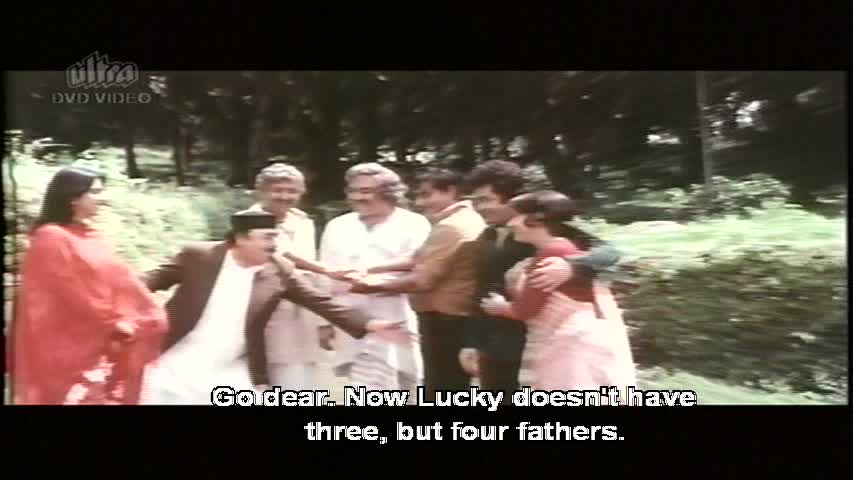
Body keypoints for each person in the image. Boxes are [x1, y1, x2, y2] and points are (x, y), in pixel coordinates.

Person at [138, 210, 407, 405]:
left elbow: (319, 301)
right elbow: (147, 283)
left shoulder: (279, 269)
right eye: (266, 237)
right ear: (241, 238)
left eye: (275, 237)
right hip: (176, 360)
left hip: (231, 367)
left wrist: (369, 324)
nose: (274, 245)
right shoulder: (198, 256)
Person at [460, 160, 622, 400]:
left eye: (486, 200)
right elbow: (481, 289)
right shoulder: (486, 236)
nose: (479, 207)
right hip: (494, 343)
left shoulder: (549, 230)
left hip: (538, 340)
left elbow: (610, 252)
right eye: (475, 201)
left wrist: (573, 266)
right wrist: (472, 341)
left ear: (512, 198)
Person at [8, 167, 168, 405]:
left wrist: (138, 313)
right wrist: (113, 322)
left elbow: (117, 279)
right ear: (72, 198)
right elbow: (69, 291)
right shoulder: (51, 237)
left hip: (104, 335)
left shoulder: (92, 235)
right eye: (94, 192)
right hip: (68, 342)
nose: (102, 199)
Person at [348, 168, 486, 399]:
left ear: (451, 191)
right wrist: (368, 270)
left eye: (427, 195)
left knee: (442, 388)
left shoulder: (452, 226)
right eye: (419, 196)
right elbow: (417, 258)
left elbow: (422, 280)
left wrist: (371, 286)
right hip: (454, 316)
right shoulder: (462, 219)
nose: (421, 202)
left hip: (446, 319)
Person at [318, 163, 431, 399]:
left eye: (366, 191)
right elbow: (324, 276)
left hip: (396, 316)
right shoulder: (338, 226)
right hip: (350, 319)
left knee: (404, 387)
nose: (358, 197)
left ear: (389, 192)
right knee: (364, 387)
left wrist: (372, 283)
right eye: (353, 191)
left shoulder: (414, 223)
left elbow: (419, 267)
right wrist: (324, 322)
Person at [244, 162, 327, 390]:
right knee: (263, 382)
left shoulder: (303, 222)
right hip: (266, 313)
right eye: (277, 190)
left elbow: (312, 273)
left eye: (292, 191)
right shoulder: (248, 221)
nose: (285, 196)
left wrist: (323, 321)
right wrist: (327, 269)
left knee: (300, 382)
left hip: (303, 316)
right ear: (262, 191)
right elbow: (279, 257)